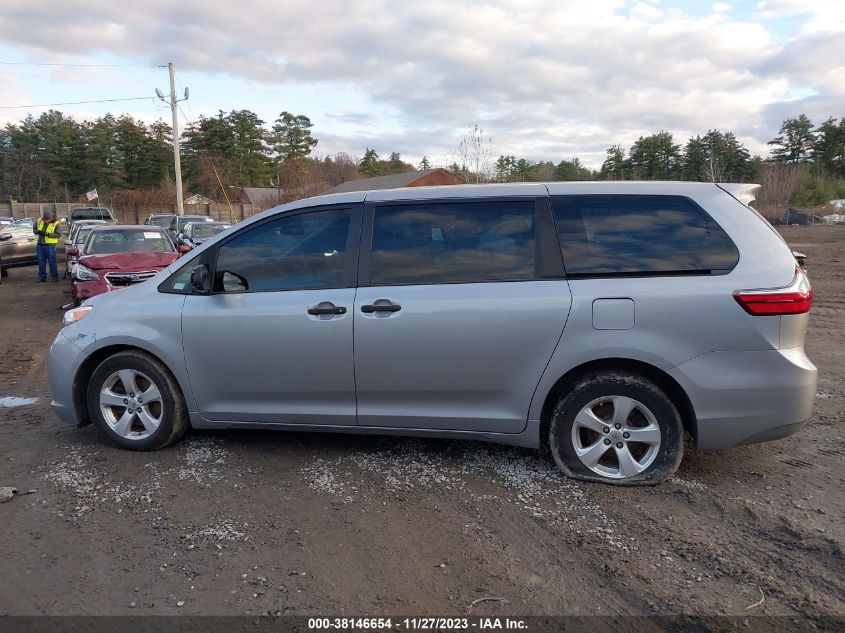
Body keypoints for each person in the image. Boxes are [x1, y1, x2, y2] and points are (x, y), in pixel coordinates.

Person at [34, 210, 61, 282]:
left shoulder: (56, 223)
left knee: (52, 262)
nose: (46, 221)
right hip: (40, 245)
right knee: (41, 262)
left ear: (52, 218)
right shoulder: (40, 220)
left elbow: (58, 234)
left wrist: (48, 234)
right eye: (45, 220)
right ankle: (42, 277)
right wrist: (37, 232)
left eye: (48, 220)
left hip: (50, 246)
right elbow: (34, 229)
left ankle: (54, 277)